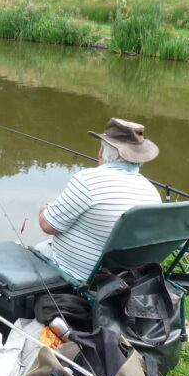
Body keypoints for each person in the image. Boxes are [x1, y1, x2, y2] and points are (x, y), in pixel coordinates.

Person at [37, 117, 161, 282]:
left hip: (81, 274)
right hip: (124, 277)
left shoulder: (88, 180)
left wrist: (44, 210)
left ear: (102, 151)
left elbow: (48, 226)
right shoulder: (152, 192)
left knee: (37, 249)